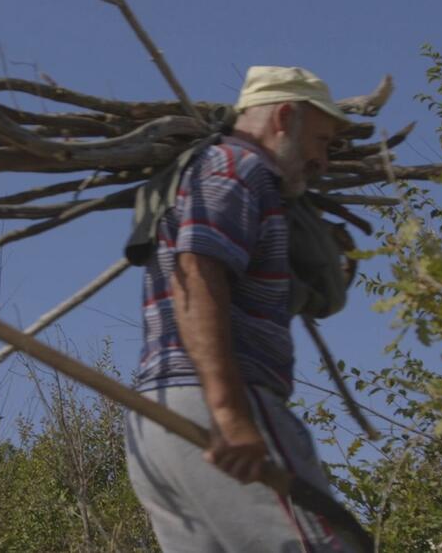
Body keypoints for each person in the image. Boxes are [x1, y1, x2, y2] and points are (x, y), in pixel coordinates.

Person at [125, 66, 359, 552]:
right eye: (320, 140)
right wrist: (231, 414)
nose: (322, 161)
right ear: (285, 116)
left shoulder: (211, 173)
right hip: (216, 403)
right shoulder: (236, 167)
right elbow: (199, 272)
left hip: (156, 419)